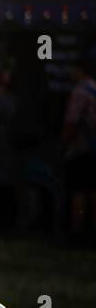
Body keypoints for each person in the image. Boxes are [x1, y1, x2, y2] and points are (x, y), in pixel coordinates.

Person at [61, 57, 96, 239]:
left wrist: (64, 143)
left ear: (80, 70)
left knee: (79, 191)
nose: (70, 73)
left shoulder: (80, 92)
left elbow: (71, 123)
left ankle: (78, 230)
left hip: (82, 148)